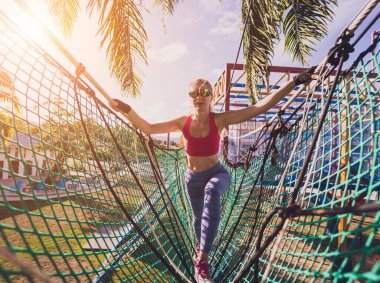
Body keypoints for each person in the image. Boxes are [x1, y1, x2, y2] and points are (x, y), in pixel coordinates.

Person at [109, 67, 318, 283]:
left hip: (218, 174)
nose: (199, 96)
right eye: (194, 93)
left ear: (211, 98)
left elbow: (258, 108)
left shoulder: (219, 120)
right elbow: (149, 127)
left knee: (211, 191)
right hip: (192, 180)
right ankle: (201, 247)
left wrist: (294, 82)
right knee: (198, 219)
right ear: (190, 98)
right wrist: (126, 109)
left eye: (204, 92)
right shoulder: (183, 122)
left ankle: (202, 262)